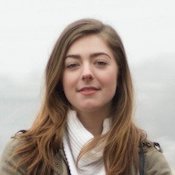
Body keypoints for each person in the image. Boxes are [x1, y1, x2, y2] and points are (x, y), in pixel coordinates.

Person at [0, 18, 172, 175]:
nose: (87, 73)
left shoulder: (148, 163)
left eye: (100, 63)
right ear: (59, 78)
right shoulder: (23, 156)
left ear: (119, 74)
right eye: (73, 65)